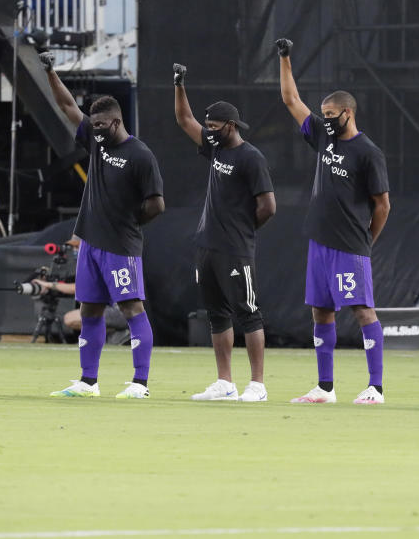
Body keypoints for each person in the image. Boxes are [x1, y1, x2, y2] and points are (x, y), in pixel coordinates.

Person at [40, 51, 165, 399]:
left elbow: (157, 204)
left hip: (121, 245)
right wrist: (50, 71)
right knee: (89, 309)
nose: (94, 130)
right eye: (91, 125)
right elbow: (67, 107)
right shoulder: (96, 139)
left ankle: (140, 384)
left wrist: (127, 223)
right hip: (91, 244)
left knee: (131, 308)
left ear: (116, 122)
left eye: (100, 125)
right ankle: (88, 381)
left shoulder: (140, 154)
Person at [276, 37, 391, 405]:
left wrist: (367, 239)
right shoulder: (325, 142)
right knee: (320, 311)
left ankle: (375, 387)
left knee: (361, 310)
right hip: (320, 242)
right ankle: (325, 388)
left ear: (348, 113)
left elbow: (383, 204)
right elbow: (291, 101)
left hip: (350, 244)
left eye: (331, 116)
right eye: (322, 116)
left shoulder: (368, 153)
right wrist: (285, 58)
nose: (325, 121)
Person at [172, 62, 277, 402]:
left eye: (215, 126)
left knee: (249, 312)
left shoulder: (251, 157)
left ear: (231, 126)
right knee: (216, 315)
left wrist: (242, 231)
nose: (209, 131)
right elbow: (184, 121)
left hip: (236, 248)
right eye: (209, 127)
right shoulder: (216, 147)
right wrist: (179, 85)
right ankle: (225, 383)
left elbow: (268, 206)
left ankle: (257, 385)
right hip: (207, 246)